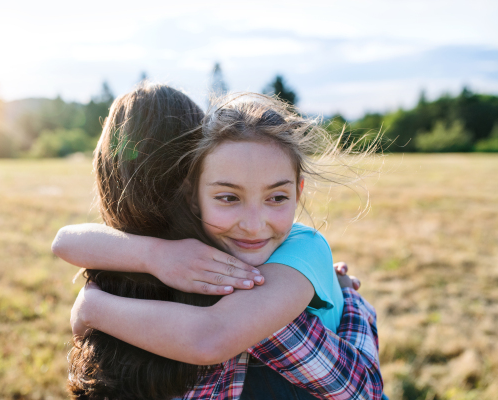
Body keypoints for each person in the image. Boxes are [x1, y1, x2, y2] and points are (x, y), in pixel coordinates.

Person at [57, 85, 383, 399]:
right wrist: (157, 255)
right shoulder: (200, 257)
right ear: (193, 192)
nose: (254, 226)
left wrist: (92, 306)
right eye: (228, 197)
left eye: (277, 196)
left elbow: (210, 337)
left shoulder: (296, 247)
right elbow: (63, 242)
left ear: (297, 191)